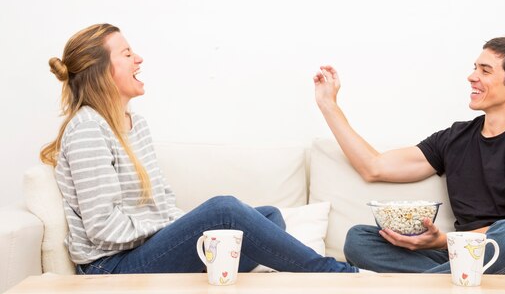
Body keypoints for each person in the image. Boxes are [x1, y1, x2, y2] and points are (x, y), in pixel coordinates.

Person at [40, 23, 361, 275]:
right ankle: (332, 273)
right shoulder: (86, 129)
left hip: (142, 251)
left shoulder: (134, 124)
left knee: (269, 218)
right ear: (101, 70)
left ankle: (220, 268)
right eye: (126, 54)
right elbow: (103, 229)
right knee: (225, 212)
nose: (138, 59)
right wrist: (175, 229)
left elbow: (163, 201)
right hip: (111, 267)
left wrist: (178, 228)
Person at [313, 35, 505, 276]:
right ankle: (445, 282)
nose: (471, 77)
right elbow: (374, 166)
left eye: (485, 71)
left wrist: (445, 240)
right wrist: (328, 105)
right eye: (475, 68)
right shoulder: (455, 138)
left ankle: (430, 284)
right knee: (359, 239)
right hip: (459, 259)